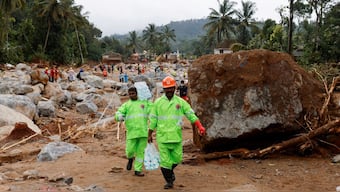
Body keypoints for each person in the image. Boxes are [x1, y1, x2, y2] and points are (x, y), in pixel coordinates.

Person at [148, 76, 206, 189]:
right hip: (163, 137)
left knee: (177, 159)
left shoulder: (180, 102)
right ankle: (169, 181)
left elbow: (190, 114)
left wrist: (200, 126)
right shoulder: (158, 103)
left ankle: (170, 172)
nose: (169, 90)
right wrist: (149, 134)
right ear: (163, 89)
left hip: (176, 137)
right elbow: (153, 119)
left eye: (171, 88)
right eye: (167, 88)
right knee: (165, 163)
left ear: (175, 88)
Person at [115, 86, 153, 177]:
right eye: (130, 94)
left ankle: (137, 170)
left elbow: (152, 110)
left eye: (133, 93)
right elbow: (119, 112)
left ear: (137, 93)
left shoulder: (144, 103)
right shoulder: (127, 105)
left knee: (140, 152)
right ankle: (130, 159)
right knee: (129, 151)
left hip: (143, 132)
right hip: (131, 133)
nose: (131, 95)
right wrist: (119, 117)